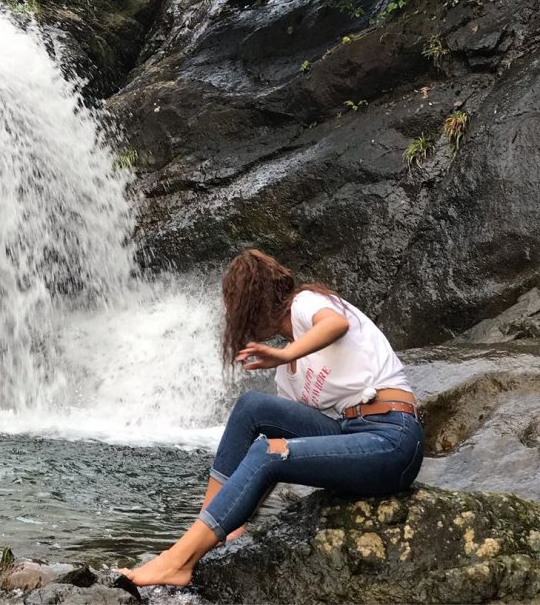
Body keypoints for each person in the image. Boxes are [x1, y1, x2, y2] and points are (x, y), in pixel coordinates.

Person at [120, 248, 424, 588]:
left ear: (258, 303)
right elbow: (273, 462)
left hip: (391, 437)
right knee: (252, 408)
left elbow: (336, 324)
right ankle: (202, 538)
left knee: (270, 451)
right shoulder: (287, 378)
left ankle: (178, 560)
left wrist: (285, 353)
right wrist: (234, 516)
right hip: (348, 431)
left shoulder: (306, 302)